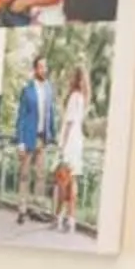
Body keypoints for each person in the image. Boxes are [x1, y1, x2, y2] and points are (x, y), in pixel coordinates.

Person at [12, 52, 55, 222]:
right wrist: (20, 142)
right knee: (24, 174)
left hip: (42, 139)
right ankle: (22, 209)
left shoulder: (49, 89)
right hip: (28, 138)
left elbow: (51, 113)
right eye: (42, 67)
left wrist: (52, 135)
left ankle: (37, 209)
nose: (45, 70)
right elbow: (21, 117)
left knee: (40, 175)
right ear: (35, 69)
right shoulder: (27, 90)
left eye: (46, 67)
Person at [53, 62, 91, 231]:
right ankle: (71, 219)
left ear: (73, 79)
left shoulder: (74, 96)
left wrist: (62, 146)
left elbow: (68, 122)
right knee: (72, 179)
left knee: (63, 180)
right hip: (78, 141)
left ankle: (59, 217)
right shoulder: (83, 97)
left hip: (69, 141)